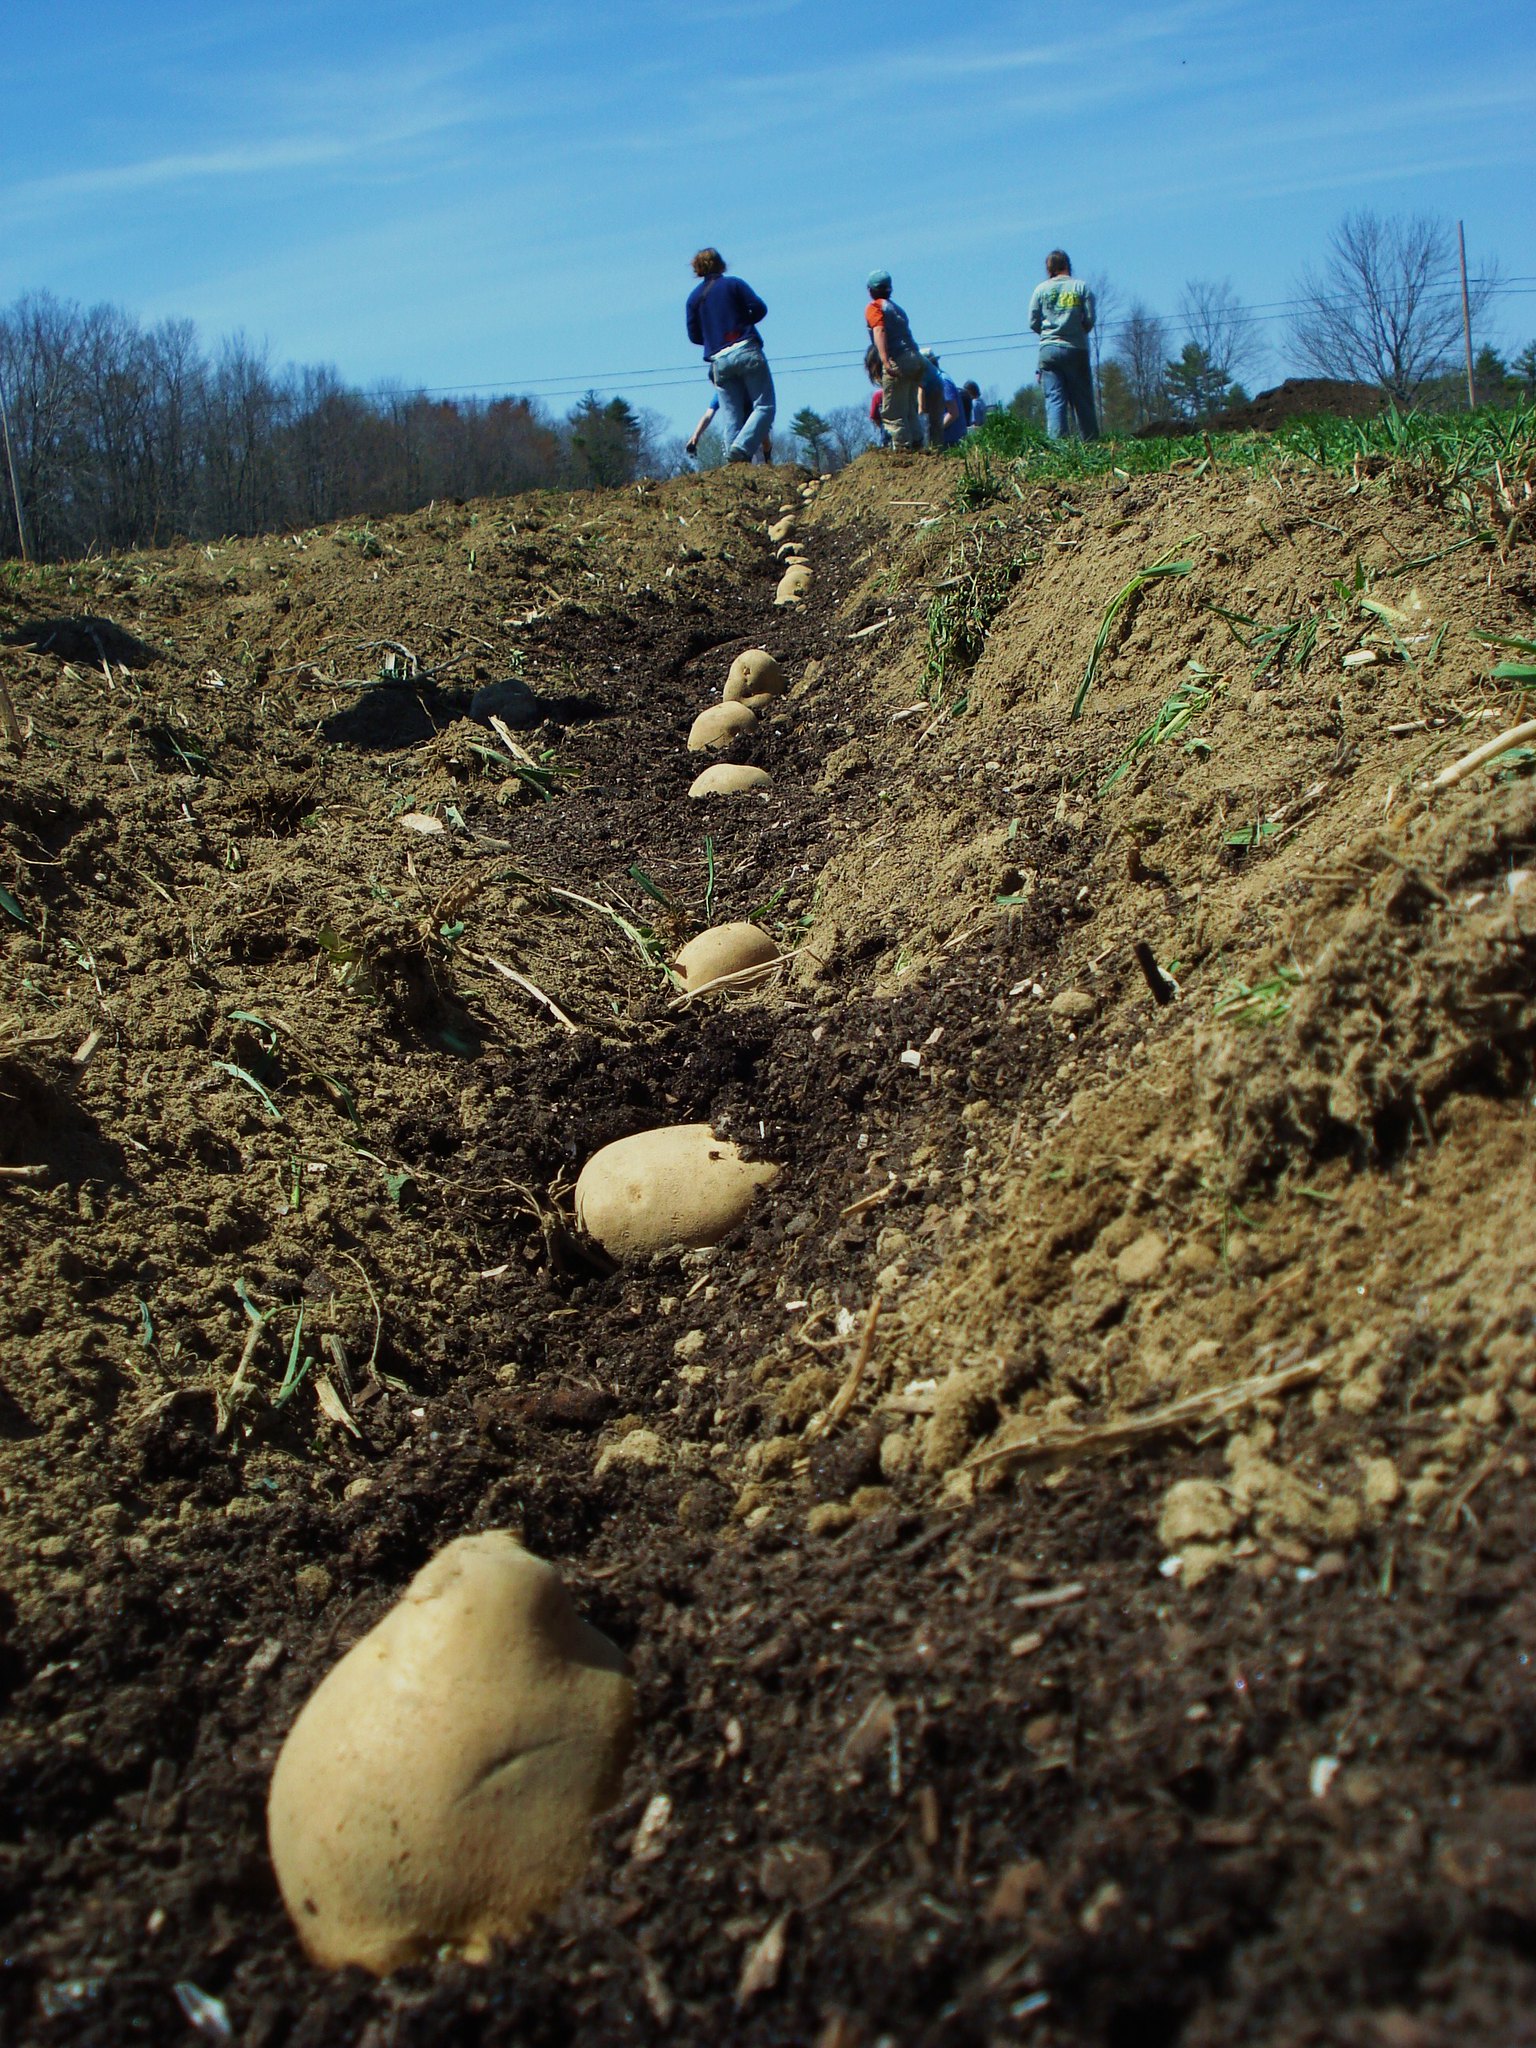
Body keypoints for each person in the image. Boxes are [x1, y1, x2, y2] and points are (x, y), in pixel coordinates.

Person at [685, 248, 775, 464]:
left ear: (697, 270)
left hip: (718, 361)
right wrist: (742, 321)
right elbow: (760, 309)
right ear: (721, 264)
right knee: (764, 406)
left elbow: (694, 336)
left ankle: (735, 466)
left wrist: (715, 337)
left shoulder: (693, 299)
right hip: (746, 349)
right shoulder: (734, 284)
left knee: (731, 417)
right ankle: (740, 449)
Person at [1029, 249, 1098, 440]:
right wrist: (1077, 330)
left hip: (1048, 350)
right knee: (1082, 399)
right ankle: (1090, 443)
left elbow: (1033, 321)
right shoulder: (1081, 287)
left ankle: (1058, 446)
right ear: (1067, 265)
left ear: (1049, 269)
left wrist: (1048, 334)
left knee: (1054, 400)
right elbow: (1090, 318)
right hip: (1076, 348)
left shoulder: (1040, 290)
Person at [863, 269, 928, 451]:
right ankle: (918, 446)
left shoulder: (875, 307)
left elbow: (879, 331)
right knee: (909, 409)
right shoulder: (897, 309)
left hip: (898, 359)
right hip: (915, 358)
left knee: (893, 412)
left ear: (870, 290)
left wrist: (885, 360)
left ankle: (902, 452)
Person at [686, 391, 771, 463]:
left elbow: (761, 414)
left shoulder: (748, 387)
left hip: (753, 431)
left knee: (759, 463)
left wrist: (766, 449)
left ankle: (767, 461)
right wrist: (696, 435)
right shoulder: (721, 393)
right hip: (734, 434)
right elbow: (708, 415)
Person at [920, 350, 967, 447]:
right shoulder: (931, 382)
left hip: (952, 442)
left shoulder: (943, 381)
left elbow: (953, 413)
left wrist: (935, 430)